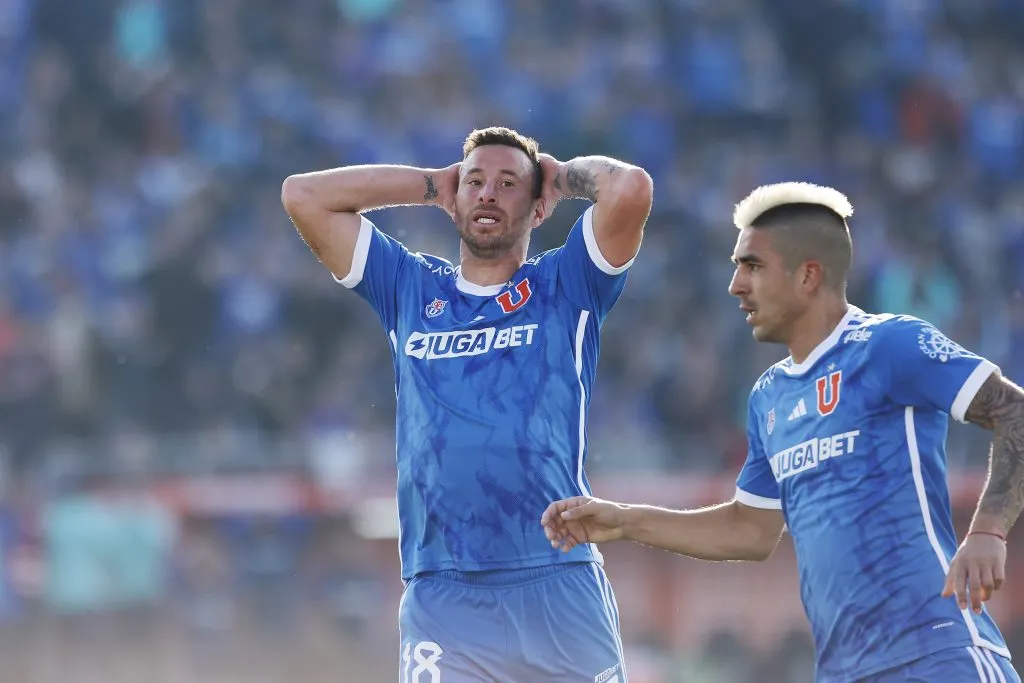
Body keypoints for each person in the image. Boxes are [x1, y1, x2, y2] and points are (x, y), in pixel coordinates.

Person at [542, 182, 1024, 683]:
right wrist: (624, 521)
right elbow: (749, 530)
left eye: (752, 265)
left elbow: (1014, 411)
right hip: (845, 673)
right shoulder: (769, 396)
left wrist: (989, 529)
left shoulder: (890, 346)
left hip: (939, 656)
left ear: (808, 276)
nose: (735, 284)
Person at [282, 126, 652, 682]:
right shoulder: (410, 287)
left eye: (508, 185)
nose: (487, 195)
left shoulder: (566, 284)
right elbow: (302, 196)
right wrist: (431, 184)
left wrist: (561, 176)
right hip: (445, 592)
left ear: (537, 207)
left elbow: (630, 188)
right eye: (475, 182)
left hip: (556, 578)